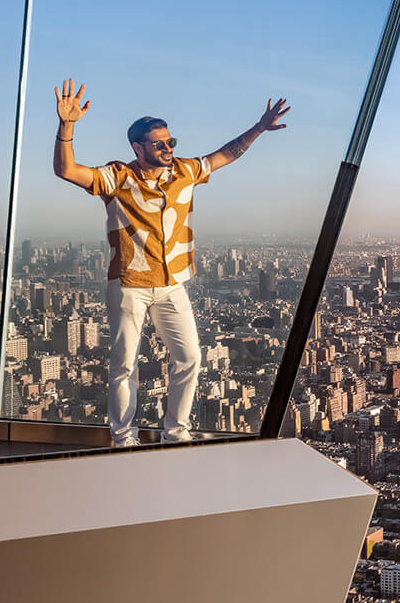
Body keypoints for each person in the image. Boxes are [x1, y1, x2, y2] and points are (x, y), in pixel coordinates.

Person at [52, 79, 291, 446]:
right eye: (159, 143)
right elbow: (67, 171)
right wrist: (67, 126)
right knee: (124, 366)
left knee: (190, 357)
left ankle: (176, 435)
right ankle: (123, 439)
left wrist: (259, 128)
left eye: (170, 141)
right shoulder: (118, 177)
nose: (168, 147)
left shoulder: (185, 171)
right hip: (129, 284)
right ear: (138, 147)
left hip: (172, 284)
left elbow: (226, 154)